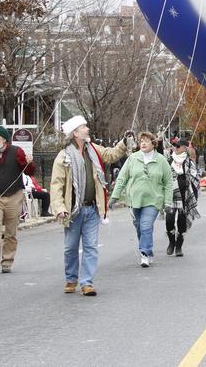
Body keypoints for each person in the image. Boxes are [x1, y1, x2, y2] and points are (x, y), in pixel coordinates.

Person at [50, 116, 131, 296]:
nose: (87, 129)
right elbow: (56, 185)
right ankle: (71, 278)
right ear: (76, 133)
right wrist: (60, 208)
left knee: (91, 246)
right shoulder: (64, 157)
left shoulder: (93, 149)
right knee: (70, 247)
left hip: (93, 209)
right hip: (73, 211)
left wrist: (124, 142)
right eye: (84, 127)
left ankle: (87, 283)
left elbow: (111, 154)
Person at [109, 132, 173, 267]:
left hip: (153, 200)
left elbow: (168, 182)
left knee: (146, 225)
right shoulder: (132, 158)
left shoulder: (161, 160)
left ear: (153, 143)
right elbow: (122, 178)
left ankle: (144, 253)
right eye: (141, 141)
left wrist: (168, 202)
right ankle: (148, 250)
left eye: (146, 141)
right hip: (135, 200)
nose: (143, 143)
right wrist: (114, 197)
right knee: (139, 227)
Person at [0, 125, 35, 275]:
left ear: (4, 139)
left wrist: (29, 162)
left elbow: (29, 171)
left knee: (10, 231)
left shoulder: (17, 151)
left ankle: (7, 261)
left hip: (14, 196)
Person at [164, 140, 200, 258]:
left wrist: (193, 196)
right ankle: (171, 242)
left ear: (185, 148)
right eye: (174, 146)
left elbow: (195, 178)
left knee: (181, 221)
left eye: (178, 146)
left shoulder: (189, 162)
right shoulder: (168, 160)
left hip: (185, 195)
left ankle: (179, 246)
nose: (176, 148)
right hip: (170, 195)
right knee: (169, 219)